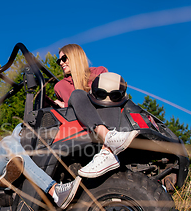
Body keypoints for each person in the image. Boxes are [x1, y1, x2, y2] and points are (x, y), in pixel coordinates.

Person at [54, 44, 139, 178]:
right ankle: (109, 141)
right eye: (59, 61)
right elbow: (71, 109)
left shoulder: (99, 71)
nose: (61, 63)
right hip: (82, 127)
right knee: (77, 95)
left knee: (108, 88)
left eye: (64, 58)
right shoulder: (60, 87)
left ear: (76, 56)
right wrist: (63, 104)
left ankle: (107, 149)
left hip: (107, 116)